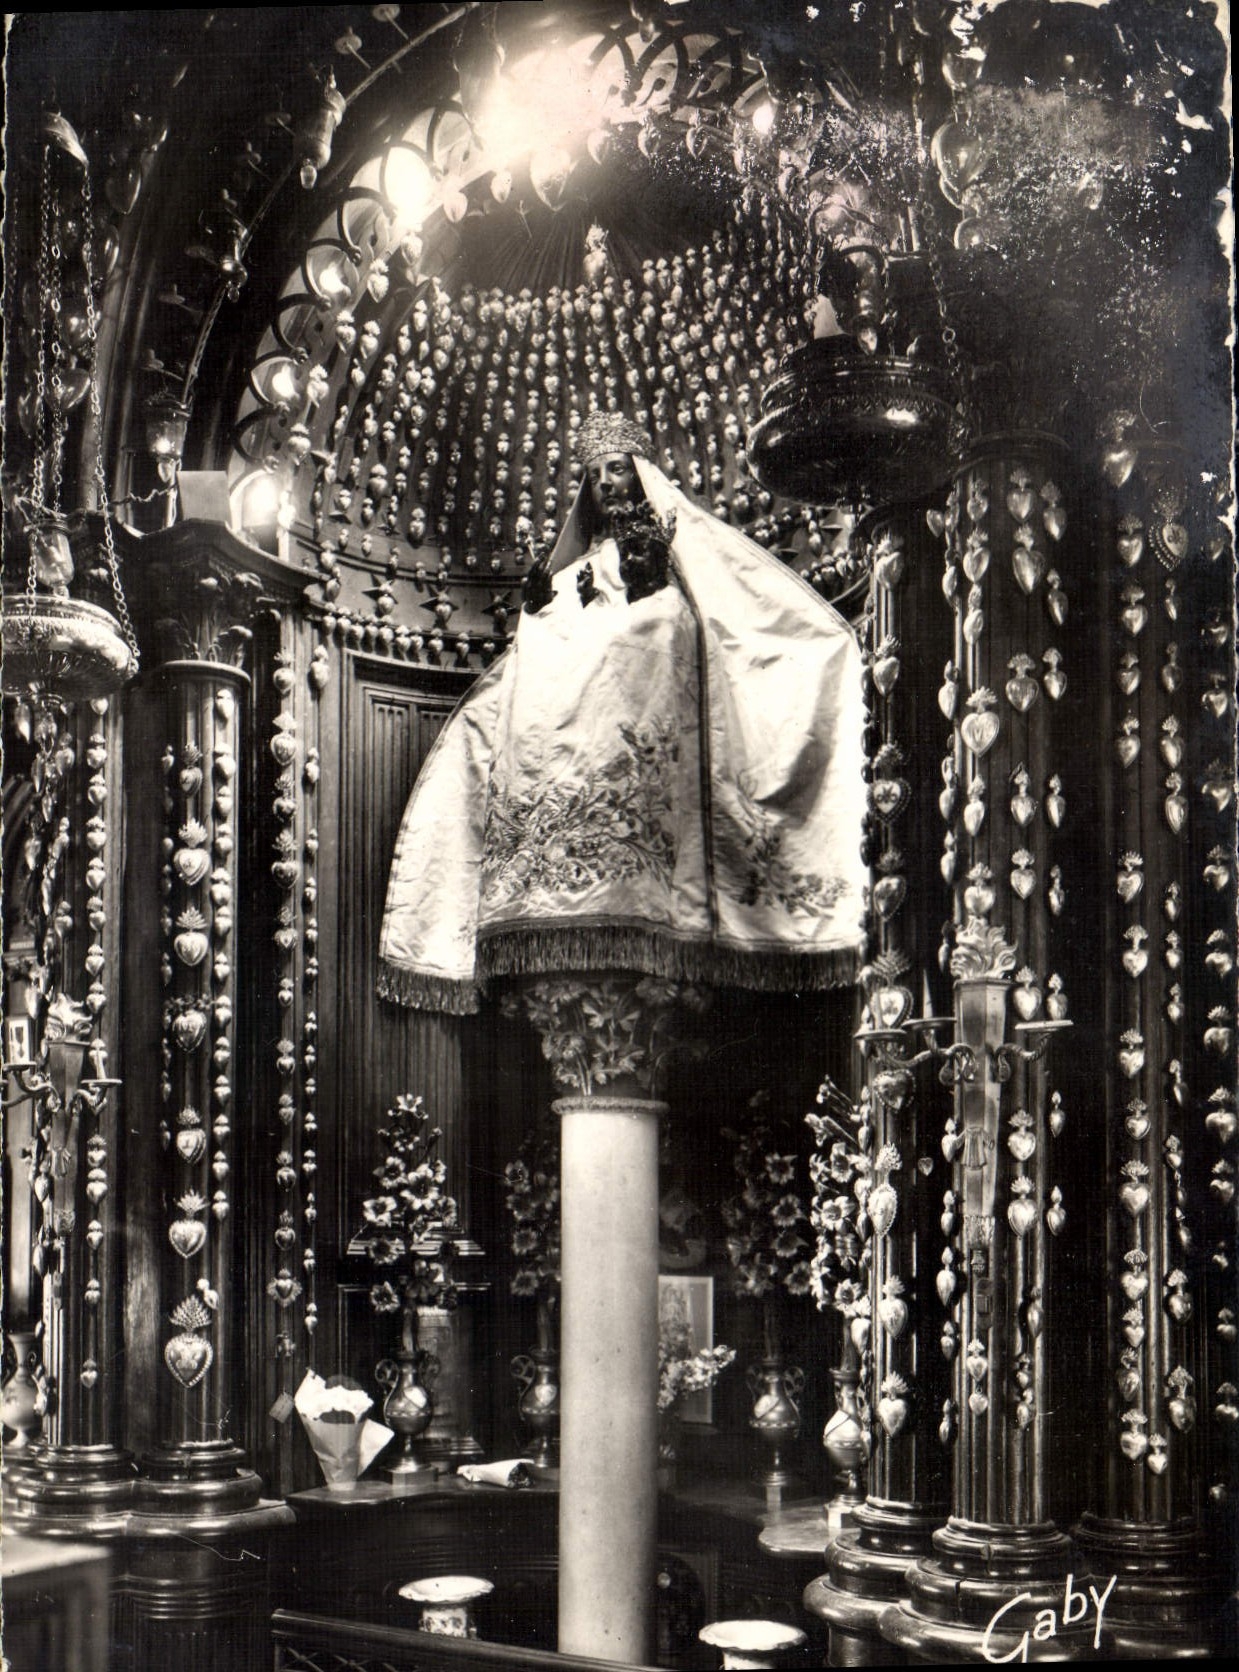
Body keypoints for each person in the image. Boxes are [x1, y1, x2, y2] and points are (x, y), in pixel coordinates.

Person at [379, 410, 866, 1014]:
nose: (607, 483)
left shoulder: (672, 557)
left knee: (656, 625)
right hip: (569, 748)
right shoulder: (569, 576)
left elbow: (707, 623)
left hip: (652, 762)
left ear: (639, 475)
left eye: (616, 470)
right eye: (594, 475)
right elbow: (540, 645)